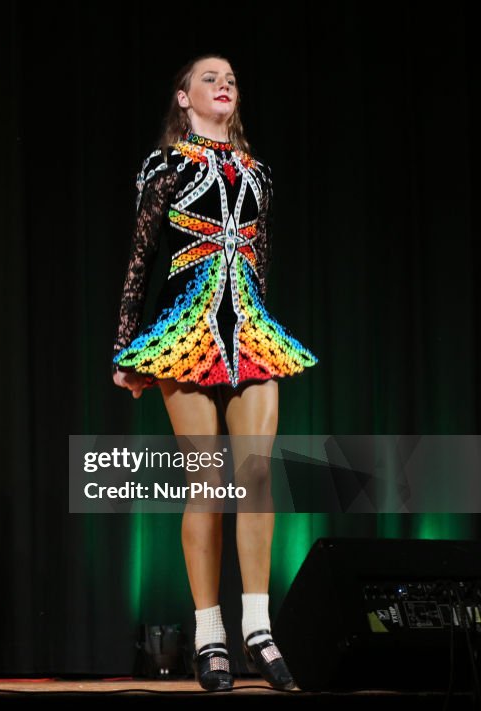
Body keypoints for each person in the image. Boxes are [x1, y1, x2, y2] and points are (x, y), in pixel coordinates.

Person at [112, 55, 317, 692]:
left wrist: (254, 318)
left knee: (254, 480)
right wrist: (125, 348)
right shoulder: (165, 166)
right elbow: (141, 258)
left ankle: (258, 626)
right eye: (209, 77)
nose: (224, 82)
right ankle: (210, 632)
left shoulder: (259, 174)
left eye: (230, 77)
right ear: (182, 97)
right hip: (187, 335)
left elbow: (262, 258)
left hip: (249, 331)